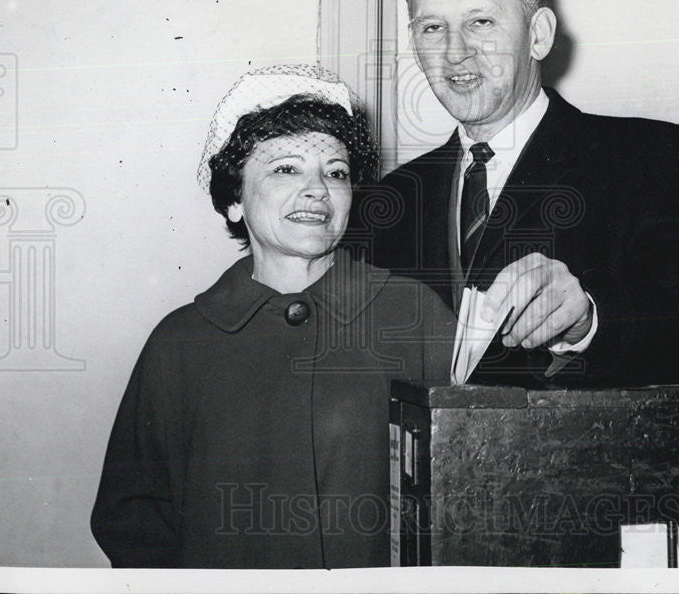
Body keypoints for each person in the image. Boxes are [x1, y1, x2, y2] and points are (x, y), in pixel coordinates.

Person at [350, 0, 679, 388]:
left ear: (538, 35)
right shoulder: (394, 195)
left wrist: (590, 321)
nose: (455, 52)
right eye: (432, 28)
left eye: (480, 22)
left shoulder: (650, 158)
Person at [90, 65, 454, 568]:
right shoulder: (179, 341)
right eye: (286, 168)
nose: (317, 190)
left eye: (336, 171)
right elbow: (132, 521)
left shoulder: (415, 315)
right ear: (235, 199)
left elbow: (466, 496)